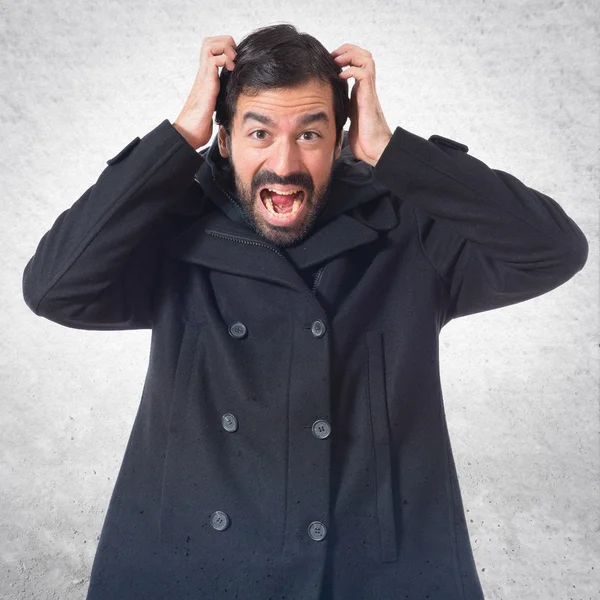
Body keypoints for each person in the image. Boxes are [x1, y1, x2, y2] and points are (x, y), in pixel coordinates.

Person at [22, 23, 588, 600]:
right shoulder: (174, 230)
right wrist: (176, 136)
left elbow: (555, 250)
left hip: (373, 573)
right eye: (259, 132)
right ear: (224, 140)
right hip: (191, 571)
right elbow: (54, 288)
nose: (284, 163)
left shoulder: (406, 231)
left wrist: (393, 153)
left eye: (310, 134)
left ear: (340, 140)